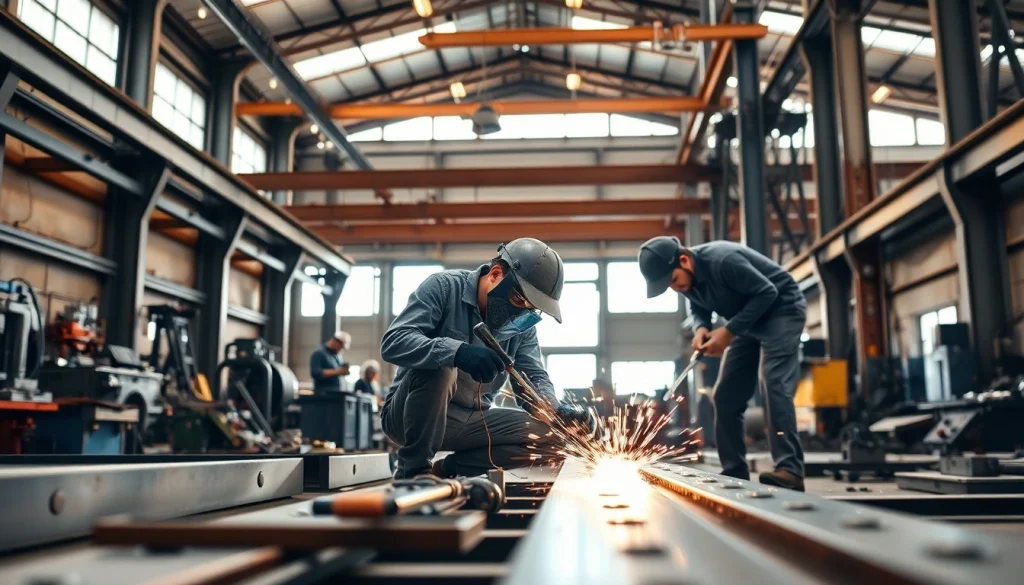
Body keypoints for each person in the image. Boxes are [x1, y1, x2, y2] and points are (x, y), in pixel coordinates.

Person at [380, 238, 590, 479]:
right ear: (496, 274)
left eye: (530, 308)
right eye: (519, 300)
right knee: (443, 364)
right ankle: (412, 471)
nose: (521, 312)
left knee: (556, 437)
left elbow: (533, 378)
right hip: (409, 417)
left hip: (472, 421)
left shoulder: (522, 327)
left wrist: (556, 411)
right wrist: (457, 352)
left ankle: (451, 468)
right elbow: (393, 342)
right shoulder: (444, 287)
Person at [638, 236, 807, 491]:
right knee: (725, 395)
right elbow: (697, 305)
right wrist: (701, 328)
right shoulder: (688, 279)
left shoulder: (723, 260)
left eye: (673, 280)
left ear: (684, 260)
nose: (676, 288)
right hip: (746, 321)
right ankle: (734, 471)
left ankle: (789, 469)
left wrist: (728, 332)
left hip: (781, 310)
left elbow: (767, 292)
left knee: (773, 383)